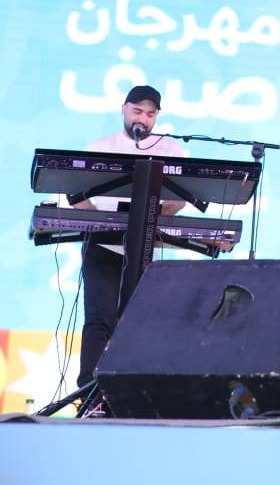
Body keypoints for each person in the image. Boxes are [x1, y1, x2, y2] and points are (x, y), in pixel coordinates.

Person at [75, 85, 187, 391]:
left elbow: (180, 198)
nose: (143, 119)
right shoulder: (101, 146)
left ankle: (129, 392)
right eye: (138, 111)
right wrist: (102, 224)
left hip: (144, 250)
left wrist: (149, 219)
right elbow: (76, 194)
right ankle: (88, 392)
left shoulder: (169, 149)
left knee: (138, 322)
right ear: (124, 109)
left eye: (150, 114)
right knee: (99, 319)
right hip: (102, 245)